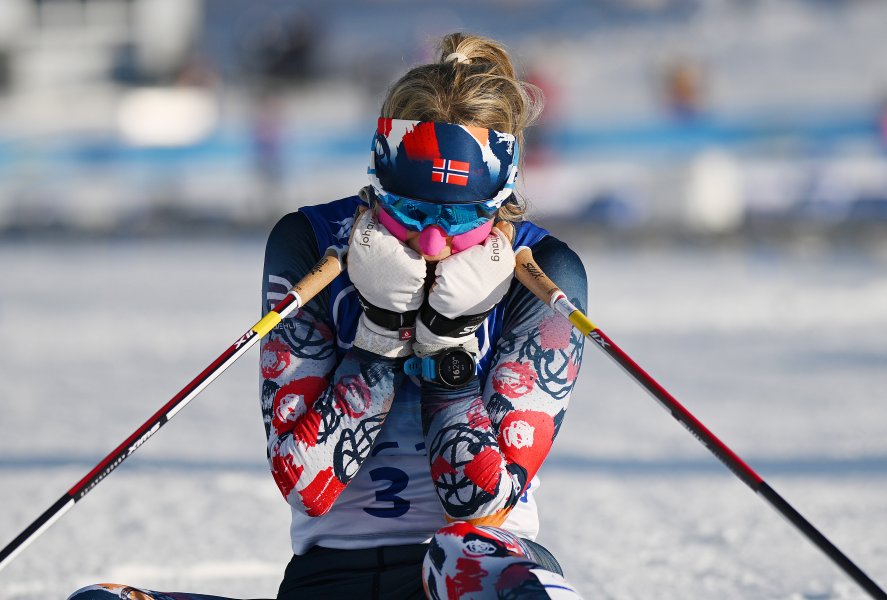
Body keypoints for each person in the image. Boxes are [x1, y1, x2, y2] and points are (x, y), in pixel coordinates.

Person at [69, 32, 588, 600]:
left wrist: (447, 342)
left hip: (478, 566)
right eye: (410, 210)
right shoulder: (310, 245)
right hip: (335, 575)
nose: (434, 240)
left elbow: (481, 503)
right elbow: (306, 483)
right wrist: (381, 336)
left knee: (467, 556)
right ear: (378, 178)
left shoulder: (544, 271)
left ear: (502, 196)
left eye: (461, 218)